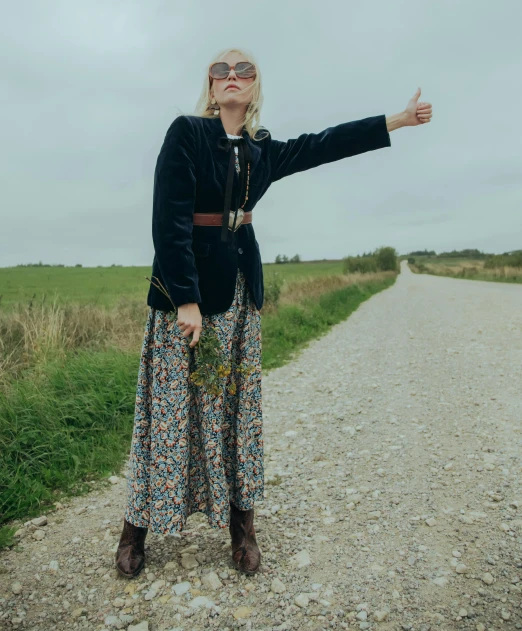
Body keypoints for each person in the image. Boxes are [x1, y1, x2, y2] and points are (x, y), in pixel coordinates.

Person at [115, 47, 433, 578]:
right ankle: (135, 528)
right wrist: (186, 298)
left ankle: (243, 526)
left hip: (239, 296)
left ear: (254, 86)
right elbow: (168, 220)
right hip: (186, 296)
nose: (232, 76)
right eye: (222, 70)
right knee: (169, 410)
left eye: (244, 70)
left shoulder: (261, 149)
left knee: (238, 410)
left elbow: (323, 144)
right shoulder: (186, 133)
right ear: (211, 87)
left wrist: (395, 120)